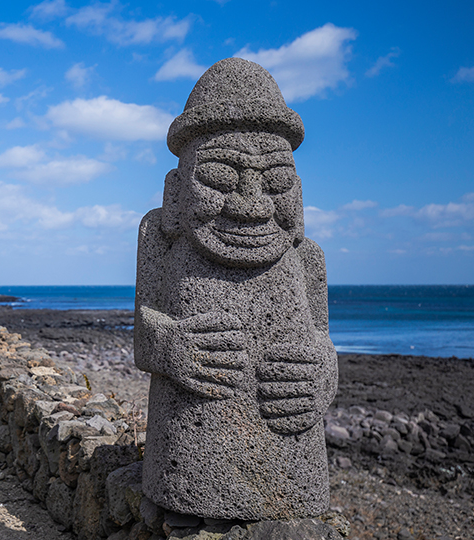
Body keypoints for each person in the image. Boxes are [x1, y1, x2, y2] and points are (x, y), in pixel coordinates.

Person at [135, 57, 337, 520]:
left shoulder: (306, 258)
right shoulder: (160, 239)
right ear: (175, 193)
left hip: (293, 470)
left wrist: (321, 375)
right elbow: (143, 337)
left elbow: (323, 341)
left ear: (298, 193)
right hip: (187, 464)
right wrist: (170, 344)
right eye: (220, 177)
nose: (250, 205)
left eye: (277, 181)